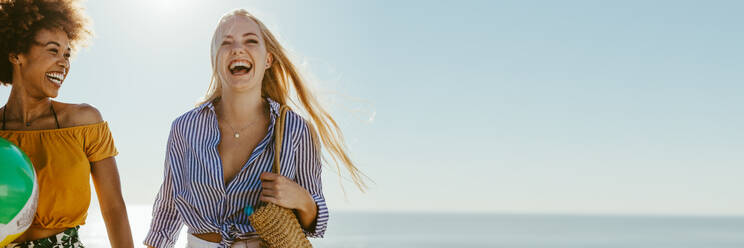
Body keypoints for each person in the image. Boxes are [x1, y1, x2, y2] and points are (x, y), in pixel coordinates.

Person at [144, 9, 366, 248]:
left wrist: (302, 199)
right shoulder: (184, 128)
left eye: (250, 41)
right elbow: (166, 216)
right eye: (226, 43)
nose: (238, 49)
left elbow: (316, 221)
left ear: (268, 59)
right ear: (215, 60)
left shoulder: (295, 130)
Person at [0, 0, 134, 247]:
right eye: (53, 50)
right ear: (16, 53)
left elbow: (114, 208)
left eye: (67, 54)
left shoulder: (84, 122)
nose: (64, 63)